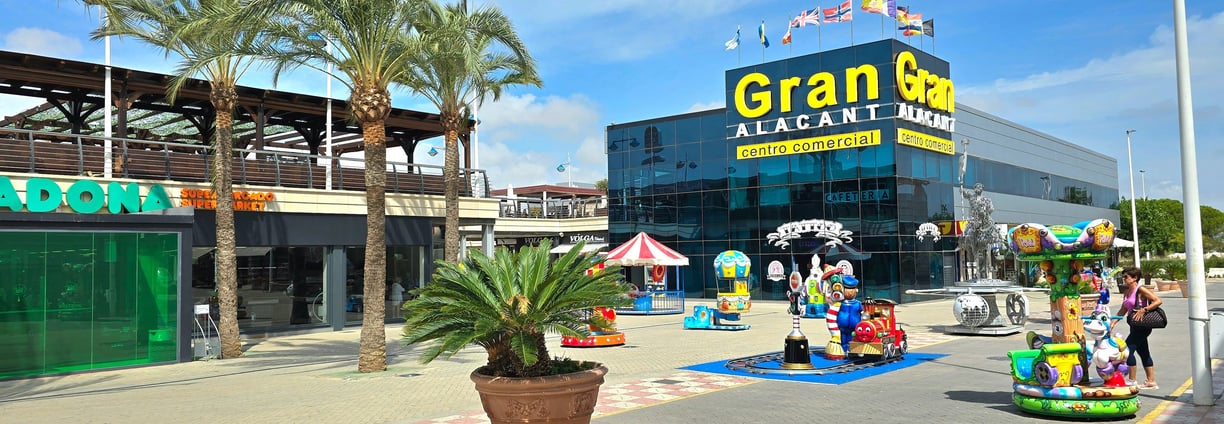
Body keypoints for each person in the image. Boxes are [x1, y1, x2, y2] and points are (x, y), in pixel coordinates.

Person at [1111, 266, 1162, 389]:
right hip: (1134, 325)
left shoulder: (1141, 290)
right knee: (1143, 352)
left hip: (1143, 325)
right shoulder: (1127, 292)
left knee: (1127, 351)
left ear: (1135, 278)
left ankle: (1132, 380)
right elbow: (1123, 309)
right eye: (1123, 277)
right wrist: (1113, 322)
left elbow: (1157, 301)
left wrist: (1144, 309)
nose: (1123, 279)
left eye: (1126, 277)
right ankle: (1151, 381)